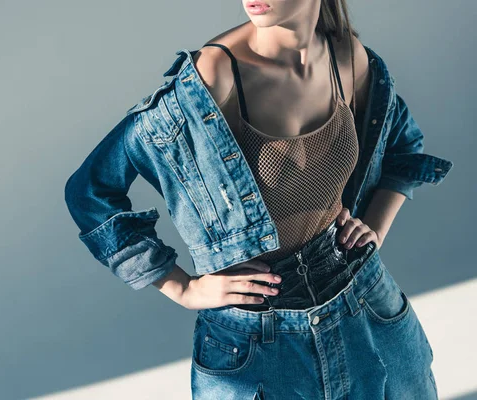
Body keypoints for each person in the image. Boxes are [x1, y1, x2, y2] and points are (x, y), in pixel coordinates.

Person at [65, 0, 453, 398]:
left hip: (367, 310)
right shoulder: (214, 76)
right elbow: (90, 191)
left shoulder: (347, 58)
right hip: (258, 344)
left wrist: (374, 226)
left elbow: (402, 145)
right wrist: (181, 288)